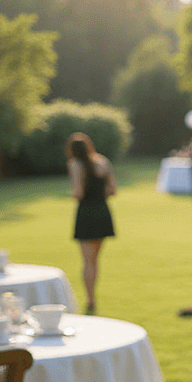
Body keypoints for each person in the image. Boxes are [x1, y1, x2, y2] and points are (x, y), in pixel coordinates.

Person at [66, 132, 117, 315]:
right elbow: (113, 190)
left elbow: (78, 192)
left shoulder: (75, 165)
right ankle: (92, 297)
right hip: (102, 212)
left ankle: (90, 298)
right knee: (95, 260)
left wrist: (71, 194)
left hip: (86, 213)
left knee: (87, 261)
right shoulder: (102, 162)